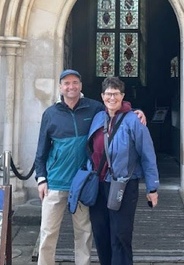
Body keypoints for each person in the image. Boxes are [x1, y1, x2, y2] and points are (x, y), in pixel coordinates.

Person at [34, 70, 146, 265]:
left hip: (83, 182)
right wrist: (41, 178)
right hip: (56, 182)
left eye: (75, 82)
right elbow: (41, 149)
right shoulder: (50, 114)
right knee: (48, 232)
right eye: (67, 83)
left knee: (84, 234)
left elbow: (115, 107)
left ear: (81, 85)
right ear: (60, 87)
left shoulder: (93, 108)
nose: (71, 87)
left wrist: (136, 112)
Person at [86, 76, 159, 265]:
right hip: (99, 185)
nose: (112, 98)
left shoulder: (134, 120)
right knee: (101, 232)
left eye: (116, 94)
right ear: (102, 96)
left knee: (121, 234)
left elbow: (147, 155)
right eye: (109, 94)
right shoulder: (97, 117)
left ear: (123, 95)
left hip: (123, 186)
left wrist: (152, 189)